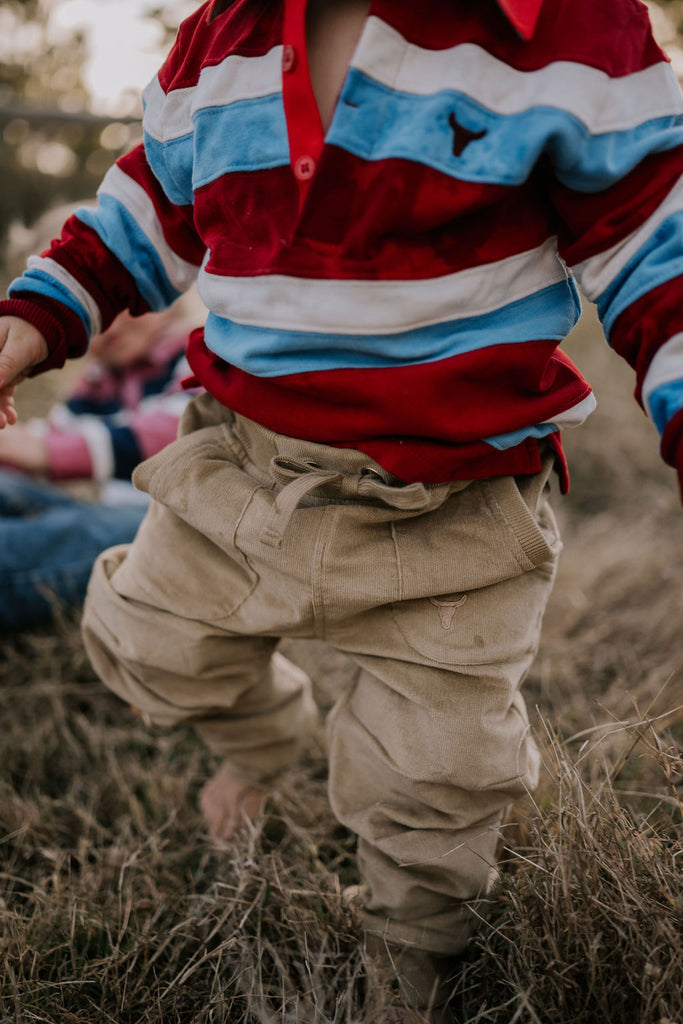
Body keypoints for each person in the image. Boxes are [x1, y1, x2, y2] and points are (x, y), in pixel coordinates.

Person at [0, 0, 682, 1016]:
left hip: (451, 505)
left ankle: (408, 978)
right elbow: (140, 213)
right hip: (241, 464)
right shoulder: (217, 40)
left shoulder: (571, 36)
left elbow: (656, 255)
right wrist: (32, 320)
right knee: (147, 638)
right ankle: (272, 742)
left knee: (436, 781)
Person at [0, 304, 198, 630]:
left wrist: (44, 450)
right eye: (92, 317)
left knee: (78, 531)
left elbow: (179, 428)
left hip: (185, 529)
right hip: (112, 514)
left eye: (126, 304)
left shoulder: (199, 350)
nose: (110, 326)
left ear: (169, 297)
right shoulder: (102, 376)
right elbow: (56, 435)